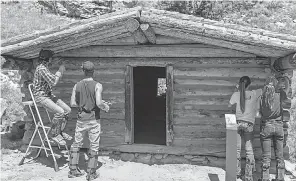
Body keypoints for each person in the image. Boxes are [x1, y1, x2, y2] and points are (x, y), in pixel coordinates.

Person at [68, 61, 110, 180]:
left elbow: (72, 103)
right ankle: (91, 173)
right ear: (93, 71)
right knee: (94, 145)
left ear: (83, 71)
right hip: (93, 119)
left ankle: (72, 170)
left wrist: (83, 104)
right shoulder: (98, 85)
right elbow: (98, 103)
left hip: (81, 119)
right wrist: (105, 106)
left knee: (77, 143)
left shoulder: (77, 85)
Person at [32, 49, 72, 145]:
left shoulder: (44, 67)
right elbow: (53, 82)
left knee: (67, 110)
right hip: (41, 96)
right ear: (48, 59)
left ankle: (59, 132)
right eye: (51, 58)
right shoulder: (41, 68)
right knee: (60, 112)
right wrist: (60, 71)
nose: (52, 60)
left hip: (48, 95)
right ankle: (54, 135)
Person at [229, 76, 262, 181]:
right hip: (249, 125)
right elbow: (265, 89)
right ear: (250, 84)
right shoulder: (254, 93)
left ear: (240, 84)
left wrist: (236, 89)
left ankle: (236, 173)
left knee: (237, 150)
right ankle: (248, 176)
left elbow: (229, 105)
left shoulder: (236, 94)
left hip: (238, 123)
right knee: (249, 150)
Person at [259, 76, 290, 181]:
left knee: (266, 156)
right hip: (278, 125)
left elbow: (259, 112)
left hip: (266, 125)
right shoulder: (280, 94)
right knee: (279, 155)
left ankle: (265, 178)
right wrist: (285, 79)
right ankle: (280, 177)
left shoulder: (262, 97)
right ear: (275, 85)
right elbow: (287, 89)